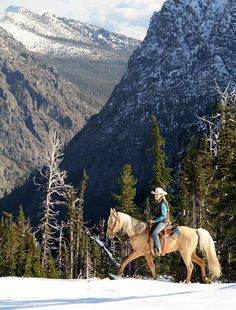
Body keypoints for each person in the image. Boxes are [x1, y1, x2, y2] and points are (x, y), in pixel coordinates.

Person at [148, 187, 169, 256]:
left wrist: (154, 221)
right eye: (155, 194)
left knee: (155, 233)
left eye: (157, 195)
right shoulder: (158, 203)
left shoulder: (163, 204)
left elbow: (163, 215)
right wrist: (148, 212)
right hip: (159, 221)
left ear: (161, 195)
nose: (155, 196)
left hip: (163, 221)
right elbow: (156, 213)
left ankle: (159, 250)